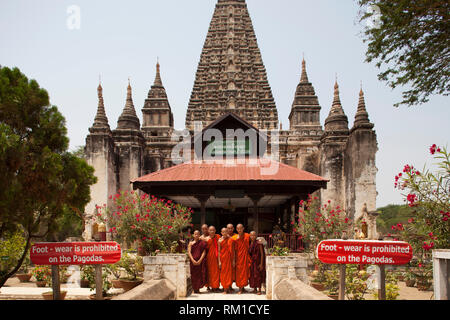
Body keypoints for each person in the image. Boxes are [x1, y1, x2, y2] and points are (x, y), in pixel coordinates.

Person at [234, 224, 251, 294]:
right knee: (239, 273)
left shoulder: (247, 235)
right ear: (236, 229)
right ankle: (240, 288)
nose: (239, 230)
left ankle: (243, 287)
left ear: (243, 228)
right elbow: (234, 249)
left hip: (245, 257)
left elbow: (253, 238)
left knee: (245, 273)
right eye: (238, 229)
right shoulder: (235, 238)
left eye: (241, 228)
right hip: (238, 257)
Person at [218, 227, 234, 294]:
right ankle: (225, 288)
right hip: (223, 259)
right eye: (223, 232)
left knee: (229, 274)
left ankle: (228, 288)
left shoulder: (231, 239)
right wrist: (219, 261)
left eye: (226, 232)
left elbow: (233, 251)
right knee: (223, 274)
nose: (224, 233)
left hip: (229, 258)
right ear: (221, 233)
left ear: (227, 232)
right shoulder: (220, 240)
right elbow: (219, 251)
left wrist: (233, 260)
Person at [205, 226, 221, 292]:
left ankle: (216, 286)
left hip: (217, 257)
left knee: (216, 272)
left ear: (215, 231)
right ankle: (211, 286)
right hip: (209, 258)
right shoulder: (206, 239)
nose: (212, 232)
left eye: (213, 230)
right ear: (208, 231)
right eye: (210, 230)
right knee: (210, 272)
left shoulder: (218, 237)